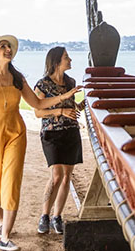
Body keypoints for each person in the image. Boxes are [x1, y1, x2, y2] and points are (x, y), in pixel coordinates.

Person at [0, 35, 81, 251]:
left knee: (11, 182)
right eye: (3, 46)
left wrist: (65, 96)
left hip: (16, 134)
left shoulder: (17, 78)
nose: (8, 49)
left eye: (9, 47)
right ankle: (1, 222)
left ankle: (4, 237)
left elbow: (37, 103)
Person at [32, 46, 84, 235]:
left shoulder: (71, 82)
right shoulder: (42, 84)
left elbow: (72, 106)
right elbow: (38, 112)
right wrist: (60, 111)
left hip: (71, 132)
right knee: (56, 176)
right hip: (52, 134)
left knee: (67, 177)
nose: (70, 60)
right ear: (56, 62)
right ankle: (44, 216)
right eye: (66, 57)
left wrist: (80, 105)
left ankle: (57, 216)